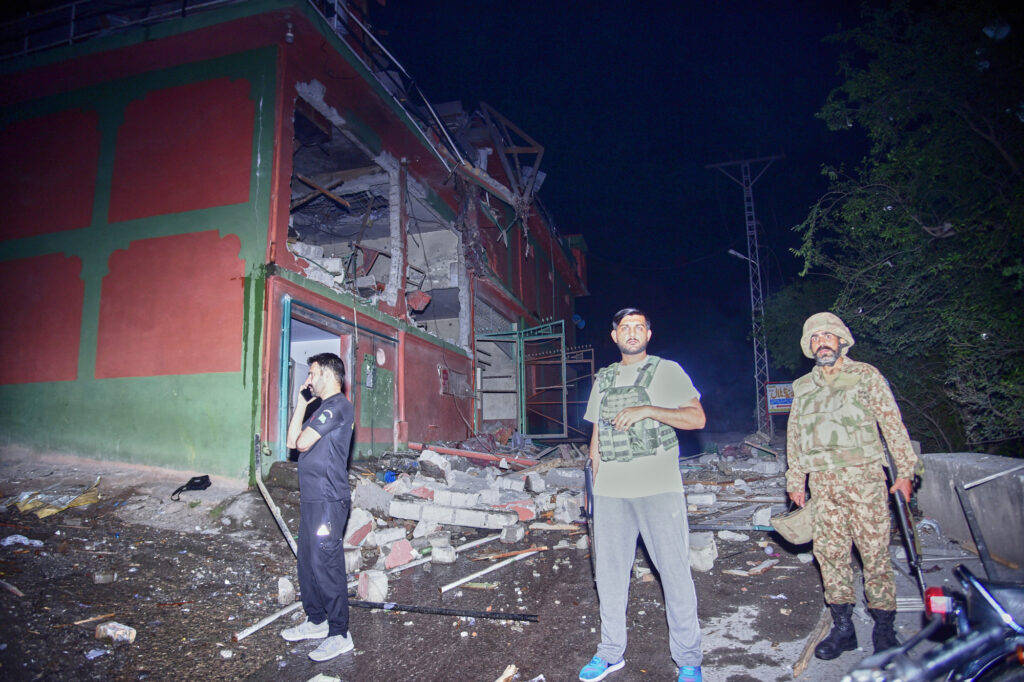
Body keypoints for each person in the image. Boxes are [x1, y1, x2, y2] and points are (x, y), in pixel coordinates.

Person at [579, 308, 706, 682]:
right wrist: (592, 488)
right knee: (610, 575)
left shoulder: (668, 371)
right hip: (611, 492)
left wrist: (648, 409)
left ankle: (688, 659)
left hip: (658, 488)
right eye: (624, 328)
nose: (632, 333)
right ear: (614, 336)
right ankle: (610, 652)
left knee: (675, 574)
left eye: (639, 327)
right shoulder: (603, 380)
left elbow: (696, 418)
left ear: (648, 334)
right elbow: (597, 438)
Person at [785, 312, 920, 660]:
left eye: (828, 336)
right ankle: (843, 628)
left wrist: (904, 472)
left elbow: (892, 425)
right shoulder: (802, 387)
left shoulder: (865, 376)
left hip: (866, 481)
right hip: (824, 485)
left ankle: (884, 629)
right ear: (809, 347)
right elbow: (795, 437)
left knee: (874, 554)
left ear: (842, 340)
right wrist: (795, 479)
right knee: (830, 557)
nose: (822, 342)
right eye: (815, 338)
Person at [280, 353, 356, 662]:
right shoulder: (320, 409)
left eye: (312, 374)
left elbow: (302, 443)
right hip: (313, 498)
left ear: (328, 374)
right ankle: (316, 620)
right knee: (308, 563)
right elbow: (291, 441)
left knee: (326, 564)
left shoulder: (338, 407)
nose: (308, 379)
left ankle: (339, 633)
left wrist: (306, 410)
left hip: (329, 499)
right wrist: (301, 403)